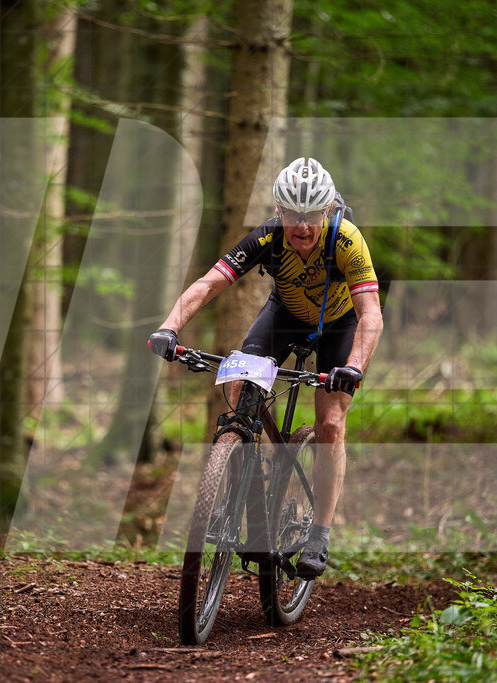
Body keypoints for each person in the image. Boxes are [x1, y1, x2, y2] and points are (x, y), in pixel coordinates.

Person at [148, 157, 384, 579]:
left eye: (312, 215)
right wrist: (169, 328)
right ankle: (250, 492)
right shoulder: (268, 237)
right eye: (293, 214)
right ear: (279, 210)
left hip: (340, 324)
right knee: (240, 387)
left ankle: (320, 533)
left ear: (327, 211)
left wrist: (353, 366)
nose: (303, 227)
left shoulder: (347, 240)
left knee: (330, 422)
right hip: (285, 314)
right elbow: (210, 283)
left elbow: (371, 314)